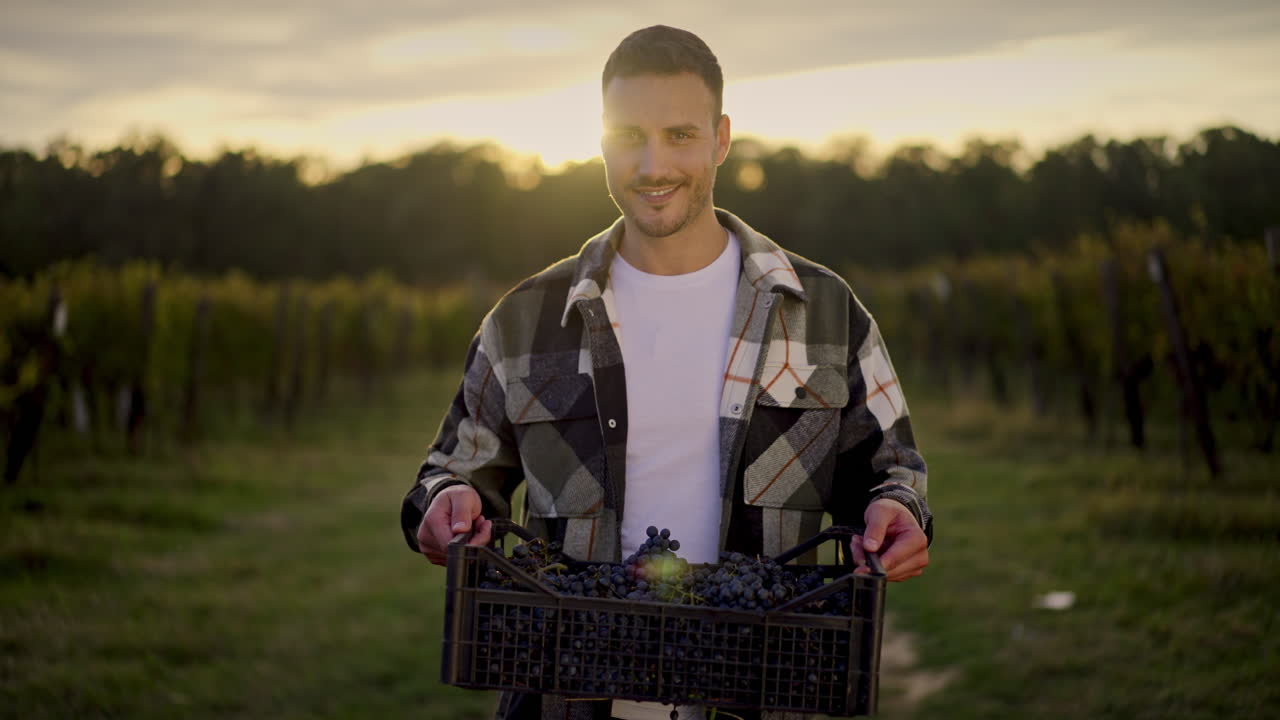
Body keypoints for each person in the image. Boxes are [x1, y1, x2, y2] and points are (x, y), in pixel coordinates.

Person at [400, 25, 932, 720]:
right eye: (629, 136)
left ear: (721, 139)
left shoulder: (826, 312)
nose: (653, 165)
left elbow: (893, 470)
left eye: (680, 135)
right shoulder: (527, 319)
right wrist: (443, 505)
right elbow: (453, 471)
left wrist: (898, 509)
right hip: (569, 697)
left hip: (765, 696)